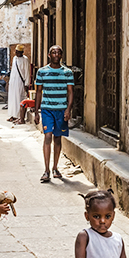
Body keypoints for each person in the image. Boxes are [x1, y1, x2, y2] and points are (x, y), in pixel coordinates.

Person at [34, 45, 74, 182]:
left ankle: (55, 167)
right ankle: (46, 170)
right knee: (48, 136)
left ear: (61, 55)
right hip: (47, 109)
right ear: (49, 55)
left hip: (61, 110)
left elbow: (70, 92)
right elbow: (38, 92)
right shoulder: (42, 72)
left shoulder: (67, 72)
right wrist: (36, 111)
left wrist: (68, 110)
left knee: (58, 138)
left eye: (58, 52)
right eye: (53, 52)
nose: (56, 54)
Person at [74, 190, 128, 258]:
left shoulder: (118, 239)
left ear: (113, 216)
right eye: (96, 216)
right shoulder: (85, 237)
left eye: (107, 216)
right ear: (87, 216)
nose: (102, 221)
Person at [7, 44, 31, 122]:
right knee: (12, 99)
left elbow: (27, 72)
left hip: (20, 82)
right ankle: (12, 115)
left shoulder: (25, 59)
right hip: (13, 82)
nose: (17, 53)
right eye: (16, 52)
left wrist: (26, 84)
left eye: (19, 52)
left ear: (22, 52)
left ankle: (18, 116)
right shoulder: (14, 58)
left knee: (19, 98)